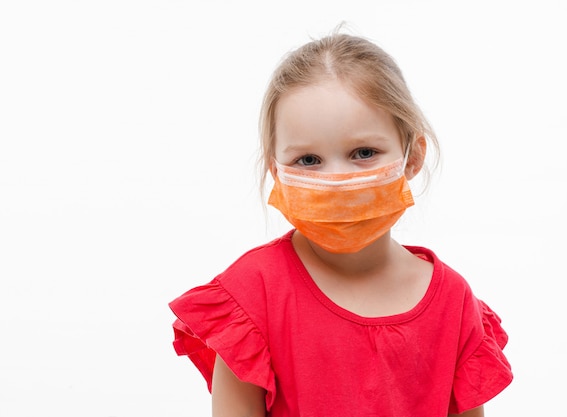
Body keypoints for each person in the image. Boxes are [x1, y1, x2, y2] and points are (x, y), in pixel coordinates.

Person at [169, 31, 512, 417]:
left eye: (363, 153)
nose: (336, 180)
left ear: (412, 157)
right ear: (277, 171)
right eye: (308, 161)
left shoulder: (453, 302)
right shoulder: (252, 298)